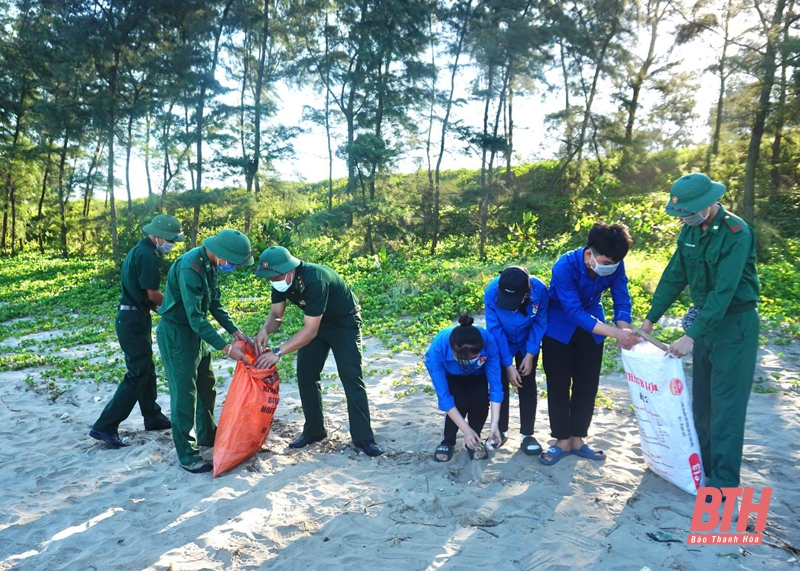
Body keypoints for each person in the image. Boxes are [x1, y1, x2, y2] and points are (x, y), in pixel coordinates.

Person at [640, 173, 759, 494]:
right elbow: (674, 276)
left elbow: (724, 292)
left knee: (727, 405)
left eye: (690, 210)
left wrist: (690, 336)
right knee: (702, 403)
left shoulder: (736, 233)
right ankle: (703, 467)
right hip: (705, 324)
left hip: (735, 326)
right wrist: (651, 319)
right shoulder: (690, 232)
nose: (685, 218)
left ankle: (723, 482)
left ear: (708, 204)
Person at [252, 246, 383, 457]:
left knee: (351, 376)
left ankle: (363, 437)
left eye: (275, 276)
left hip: (344, 322)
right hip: (316, 323)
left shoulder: (314, 279)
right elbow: (277, 314)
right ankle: (314, 430)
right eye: (269, 278)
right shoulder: (279, 281)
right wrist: (265, 329)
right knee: (306, 373)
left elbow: (309, 330)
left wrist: (277, 351)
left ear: (289, 269)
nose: (272, 280)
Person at [540, 222, 640, 466]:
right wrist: (616, 333)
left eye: (613, 265)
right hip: (559, 328)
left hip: (593, 330)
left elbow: (621, 297)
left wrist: (624, 329)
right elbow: (573, 312)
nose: (610, 268)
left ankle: (577, 440)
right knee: (559, 385)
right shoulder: (564, 266)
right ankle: (561, 441)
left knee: (587, 386)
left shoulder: (614, 263)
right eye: (605, 263)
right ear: (589, 254)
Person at [156, 229, 252, 473]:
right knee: (185, 395)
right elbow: (196, 317)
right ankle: (187, 454)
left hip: (195, 334)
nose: (232, 266)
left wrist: (235, 331)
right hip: (177, 334)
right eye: (232, 261)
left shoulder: (209, 264)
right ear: (221, 253)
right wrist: (226, 348)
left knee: (206, 386)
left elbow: (215, 303)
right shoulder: (190, 268)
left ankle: (207, 435)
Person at [90, 214, 184, 448]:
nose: (171, 243)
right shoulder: (146, 256)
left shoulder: (140, 250)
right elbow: (153, 294)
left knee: (146, 368)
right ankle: (105, 425)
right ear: (158, 236)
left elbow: (145, 296)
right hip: (132, 319)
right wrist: (174, 308)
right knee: (137, 374)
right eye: (170, 239)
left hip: (134, 316)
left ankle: (152, 416)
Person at [484, 266, 549, 455]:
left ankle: (527, 434)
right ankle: (501, 431)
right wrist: (508, 364)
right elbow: (494, 328)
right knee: (501, 383)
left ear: (526, 294)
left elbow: (540, 322)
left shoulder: (540, 290)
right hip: (501, 341)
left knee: (527, 382)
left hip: (528, 340)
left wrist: (530, 354)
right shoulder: (491, 291)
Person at [424, 314, 503, 462]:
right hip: (450, 372)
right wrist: (465, 430)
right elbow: (444, 398)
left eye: (473, 357)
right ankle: (447, 441)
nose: (468, 361)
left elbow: (496, 387)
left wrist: (494, 425)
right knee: (458, 400)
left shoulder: (487, 341)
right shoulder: (438, 349)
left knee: (480, 399)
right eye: (464, 359)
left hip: (477, 373)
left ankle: (474, 439)